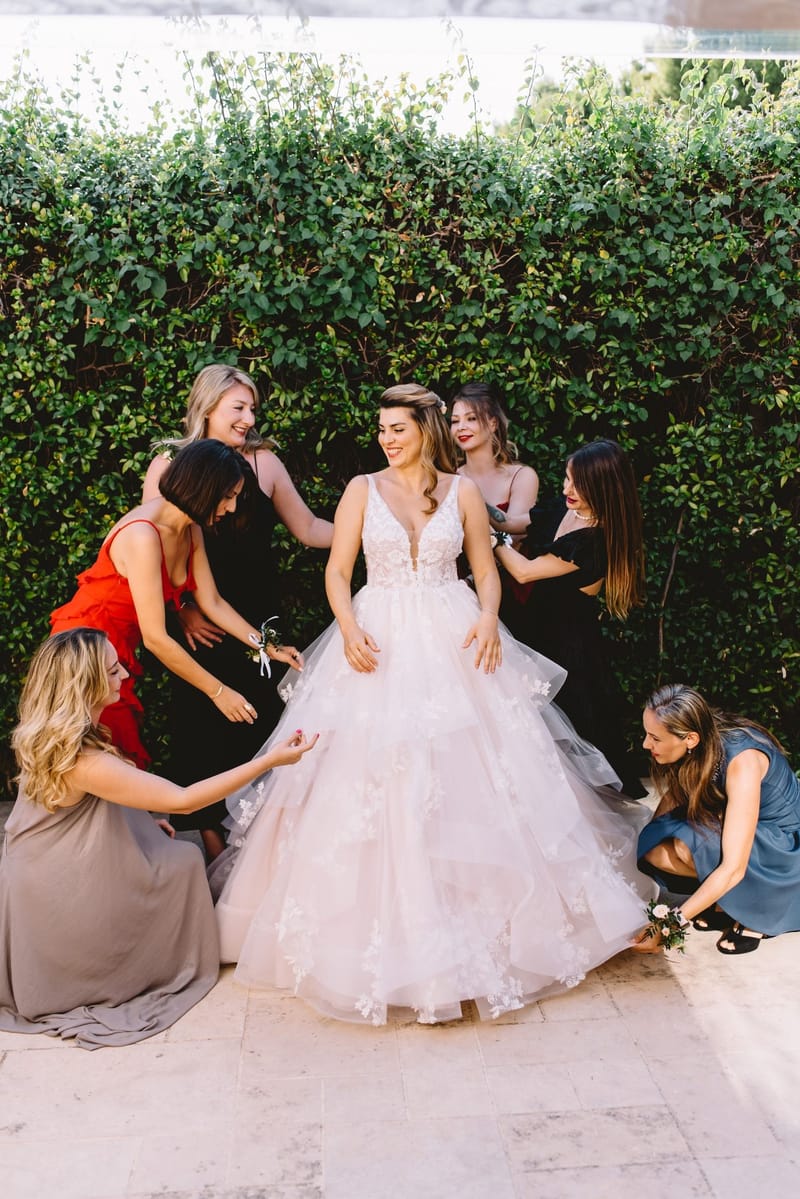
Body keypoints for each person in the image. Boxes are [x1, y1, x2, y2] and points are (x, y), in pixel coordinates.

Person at [210, 383, 655, 1027]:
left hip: (455, 631)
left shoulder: (464, 492)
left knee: (476, 773)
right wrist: (350, 626)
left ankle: (488, 928)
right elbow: (337, 572)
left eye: (398, 428)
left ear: (425, 430)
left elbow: (487, 566)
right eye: (382, 429)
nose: (387, 439)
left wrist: (488, 619)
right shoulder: (362, 489)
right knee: (374, 776)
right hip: (377, 634)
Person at [0, 628, 317, 1049]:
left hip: (37, 872)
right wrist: (272, 761)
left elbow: (92, 807)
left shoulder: (51, 736)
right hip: (61, 890)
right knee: (183, 864)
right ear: (87, 684)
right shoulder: (82, 760)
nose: (125, 677)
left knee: (170, 850)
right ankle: (128, 964)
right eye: (113, 670)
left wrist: (143, 822)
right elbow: (183, 801)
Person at [142, 364, 333, 858]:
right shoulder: (170, 462)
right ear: (207, 407)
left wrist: (366, 531)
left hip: (254, 617)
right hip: (198, 620)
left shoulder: (263, 461)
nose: (249, 417)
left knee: (263, 721)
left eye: (252, 408)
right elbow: (157, 548)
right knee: (201, 728)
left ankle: (257, 844)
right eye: (239, 407)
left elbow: (309, 528)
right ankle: (211, 844)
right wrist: (183, 608)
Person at [51, 439, 303, 773]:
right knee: (94, 755)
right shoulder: (143, 536)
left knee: (110, 756)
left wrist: (268, 647)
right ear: (203, 486)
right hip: (86, 650)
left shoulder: (191, 527)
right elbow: (156, 638)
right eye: (228, 496)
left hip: (118, 648)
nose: (231, 508)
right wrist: (218, 691)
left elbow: (211, 602)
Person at [492, 438, 646, 795]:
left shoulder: (596, 541)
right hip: (533, 625)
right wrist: (473, 502)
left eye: (578, 483)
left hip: (568, 644)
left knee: (572, 730)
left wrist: (489, 536)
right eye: (566, 478)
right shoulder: (566, 508)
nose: (567, 488)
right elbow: (516, 522)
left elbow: (525, 571)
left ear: (603, 487)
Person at [631, 683, 800, 956]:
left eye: (655, 738)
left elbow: (734, 867)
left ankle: (758, 910)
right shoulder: (700, 742)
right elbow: (671, 805)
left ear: (690, 739)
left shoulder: (742, 763)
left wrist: (667, 927)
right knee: (656, 847)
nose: (646, 744)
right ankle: (728, 902)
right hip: (752, 831)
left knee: (690, 847)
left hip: (784, 845)